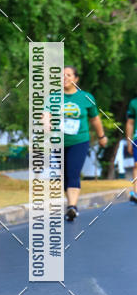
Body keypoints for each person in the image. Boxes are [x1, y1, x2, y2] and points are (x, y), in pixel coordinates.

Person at [59, 65, 107, 221]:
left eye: (68, 75)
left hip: (80, 141)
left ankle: (72, 206)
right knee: (65, 175)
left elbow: (94, 118)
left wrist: (101, 136)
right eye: (62, 75)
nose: (65, 78)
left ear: (76, 79)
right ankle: (71, 204)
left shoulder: (86, 98)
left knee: (73, 171)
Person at [125, 94, 137, 203]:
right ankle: (136, 193)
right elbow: (130, 123)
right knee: (136, 165)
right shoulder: (134, 103)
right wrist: (129, 142)